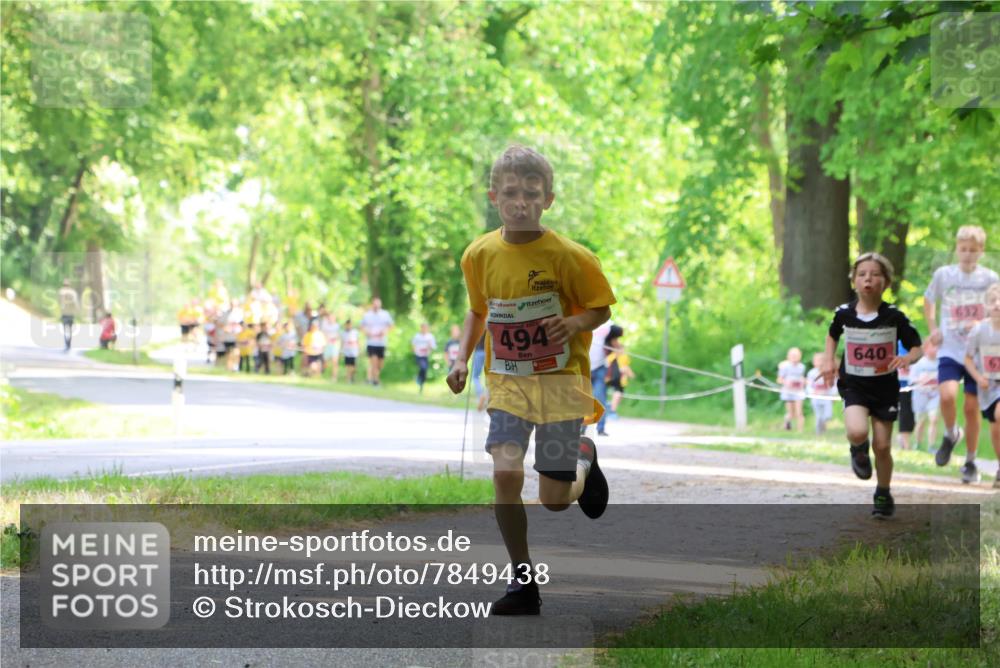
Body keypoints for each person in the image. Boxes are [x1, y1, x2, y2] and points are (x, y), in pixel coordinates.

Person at [446, 145, 615, 615]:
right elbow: (479, 310)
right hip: (507, 382)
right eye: (511, 193)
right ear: (494, 196)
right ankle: (522, 580)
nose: (521, 202)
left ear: (549, 200)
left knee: (555, 500)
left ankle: (585, 456)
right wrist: (461, 359)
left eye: (532, 194)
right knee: (505, 474)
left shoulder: (569, 256)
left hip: (560, 382)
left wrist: (577, 324)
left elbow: (600, 307)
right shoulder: (479, 254)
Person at [821, 252, 922, 517]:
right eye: (862, 274)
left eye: (875, 274)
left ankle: (883, 492)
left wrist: (906, 358)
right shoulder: (844, 314)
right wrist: (828, 361)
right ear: (854, 280)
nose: (868, 279)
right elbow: (832, 336)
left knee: (883, 446)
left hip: (885, 389)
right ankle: (858, 450)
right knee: (856, 431)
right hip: (854, 385)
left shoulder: (894, 316)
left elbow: (917, 347)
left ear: (886, 282)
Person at [923, 225, 998, 483]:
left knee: (971, 407)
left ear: (981, 252)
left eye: (972, 250)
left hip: (978, 353)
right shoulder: (944, 274)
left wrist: (986, 324)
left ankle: (970, 461)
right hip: (951, 348)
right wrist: (933, 329)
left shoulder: (990, 278)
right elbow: (929, 300)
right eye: (963, 249)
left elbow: (997, 306)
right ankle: (951, 433)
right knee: (947, 395)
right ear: (956, 249)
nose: (967, 255)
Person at [964, 283, 1000, 488]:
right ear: (986, 306)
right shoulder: (979, 331)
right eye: (993, 301)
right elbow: (968, 358)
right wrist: (978, 377)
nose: (997, 304)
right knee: (995, 427)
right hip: (987, 386)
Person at [911, 339, 941, 451]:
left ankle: (931, 446)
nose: (935, 349)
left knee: (934, 419)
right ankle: (917, 444)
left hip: (935, 395)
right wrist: (921, 380)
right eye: (933, 346)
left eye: (937, 347)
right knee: (920, 421)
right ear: (926, 348)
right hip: (920, 395)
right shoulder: (919, 363)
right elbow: (912, 379)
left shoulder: (940, 362)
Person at [588, 322, 614, 436]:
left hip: (600, 367)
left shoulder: (609, 325)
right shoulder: (580, 318)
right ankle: (581, 427)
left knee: (600, 397)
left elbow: (615, 342)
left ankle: (601, 428)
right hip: (584, 366)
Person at [361, 297, 394, 385]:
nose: (376, 306)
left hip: (381, 343)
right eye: (374, 304)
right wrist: (367, 333)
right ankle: (376, 380)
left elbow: (391, 326)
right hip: (371, 343)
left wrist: (384, 332)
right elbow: (362, 326)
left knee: (380, 365)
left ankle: (371, 377)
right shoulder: (367, 315)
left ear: (380, 305)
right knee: (374, 362)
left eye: (378, 304)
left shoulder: (385, 314)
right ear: (372, 304)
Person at [604, 328, 635, 418]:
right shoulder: (613, 355)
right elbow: (623, 368)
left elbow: (626, 367)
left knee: (619, 394)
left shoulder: (623, 356)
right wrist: (631, 375)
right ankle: (612, 410)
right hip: (612, 377)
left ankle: (610, 407)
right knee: (617, 393)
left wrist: (631, 375)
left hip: (618, 378)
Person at [805, 352, 836, 435]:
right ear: (814, 362)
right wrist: (812, 392)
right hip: (816, 397)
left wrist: (833, 395)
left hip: (827, 397)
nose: (819, 362)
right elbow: (808, 385)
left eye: (821, 360)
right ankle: (819, 432)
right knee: (818, 416)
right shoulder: (811, 373)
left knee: (828, 415)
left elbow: (834, 385)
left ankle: (823, 425)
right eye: (817, 360)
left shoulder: (829, 372)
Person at [778, 347, 806, 432]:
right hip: (788, 392)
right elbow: (779, 379)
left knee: (799, 412)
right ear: (788, 356)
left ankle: (800, 430)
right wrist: (786, 382)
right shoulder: (784, 366)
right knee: (791, 413)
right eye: (792, 355)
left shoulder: (801, 367)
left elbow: (802, 378)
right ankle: (787, 424)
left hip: (798, 392)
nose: (794, 357)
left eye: (796, 355)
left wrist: (803, 381)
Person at [896, 341, 916, 450]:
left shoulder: (912, 340)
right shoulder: (896, 342)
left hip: (914, 384)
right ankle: (906, 443)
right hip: (900, 384)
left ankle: (904, 438)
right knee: (904, 412)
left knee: (913, 413)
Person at [411, 323, 437, 393]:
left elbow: (433, 346)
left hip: (425, 356)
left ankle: (421, 384)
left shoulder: (430, 337)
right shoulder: (417, 336)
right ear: (421, 328)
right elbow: (413, 345)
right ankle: (418, 379)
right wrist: (414, 351)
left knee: (425, 370)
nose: (424, 329)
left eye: (426, 328)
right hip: (418, 355)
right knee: (423, 367)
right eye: (423, 328)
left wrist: (429, 346)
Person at [320, 309, 341, 381]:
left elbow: (338, 336)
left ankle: (334, 377)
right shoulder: (325, 325)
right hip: (327, 345)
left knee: (335, 362)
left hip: (334, 345)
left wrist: (335, 339)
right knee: (325, 362)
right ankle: (321, 373)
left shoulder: (337, 326)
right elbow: (323, 334)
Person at [57, 279, 79, 351]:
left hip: (64, 313)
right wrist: (76, 311)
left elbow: (59, 302)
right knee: (70, 329)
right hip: (71, 314)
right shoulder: (73, 292)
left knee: (65, 329)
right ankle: (69, 342)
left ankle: (66, 342)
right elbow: (75, 303)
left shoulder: (61, 292)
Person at [471, 334, 488, 411]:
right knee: (488, 376)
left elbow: (473, 339)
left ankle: (481, 394)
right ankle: (487, 398)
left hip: (478, 352)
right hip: (488, 352)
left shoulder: (479, 322)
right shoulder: (490, 322)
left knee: (475, 376)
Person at [341, 319, 360, 383]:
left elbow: (358, 341)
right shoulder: (343, 333)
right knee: (348, 366)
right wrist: (341, 351)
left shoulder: (355, 332)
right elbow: (342, 342)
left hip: (354, 351)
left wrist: (358, 349)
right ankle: (348, 378)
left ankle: (352, 377)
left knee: (354, 366)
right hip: (347, 351)